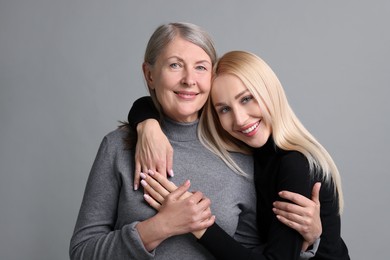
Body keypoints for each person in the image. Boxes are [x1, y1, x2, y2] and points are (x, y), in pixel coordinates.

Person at [70, 22, 321, 259]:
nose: (189, 79)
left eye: (200, 67)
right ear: (149, 75)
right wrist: (160, 227)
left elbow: (255, 254)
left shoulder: (241, 151)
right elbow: (82, 252)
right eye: (175, 65)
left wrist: (307, 240)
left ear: (212, 75)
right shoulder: (118, 147)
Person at [137, 51, 350, 259]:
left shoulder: (295, 164)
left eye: (247, 99)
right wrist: (147, 126)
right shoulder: (252, 151)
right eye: (224, 109)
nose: (239, 119)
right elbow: (154, 104)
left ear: (269, 92)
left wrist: (199, 223)